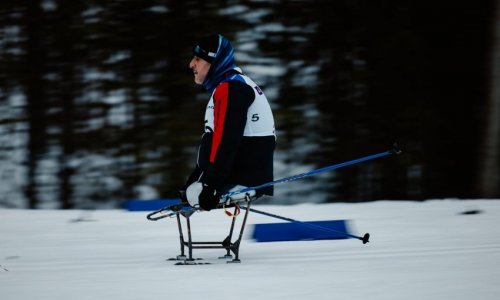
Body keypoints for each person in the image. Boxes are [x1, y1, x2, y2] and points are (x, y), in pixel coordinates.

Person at [179, 33, 276, 211]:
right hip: (239, 175)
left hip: (242, 180)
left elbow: (226, 141)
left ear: (213, 61)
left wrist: (211, 186)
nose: (191, 64)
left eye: (197, 59)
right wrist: (195, 180)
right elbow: (216, 141)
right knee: (191, 193)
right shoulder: (231, 85)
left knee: (196, 195)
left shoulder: (232, 88)